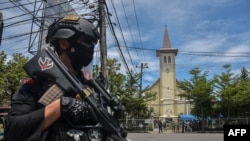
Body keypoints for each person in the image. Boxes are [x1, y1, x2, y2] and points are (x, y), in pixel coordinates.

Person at [4, 14, 123, 141]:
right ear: (64, 43)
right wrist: (61, 106)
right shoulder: (35, 85)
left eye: (93, 44)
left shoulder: (92, 89)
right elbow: (13, 132)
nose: (91, 49)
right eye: (87, 42)